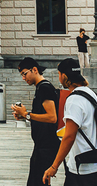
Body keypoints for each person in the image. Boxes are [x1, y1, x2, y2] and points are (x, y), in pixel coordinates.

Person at [43, 59, 97, 185]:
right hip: (95, 163)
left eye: (59, 74)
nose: (59, 78)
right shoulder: (91, 93)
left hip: (82, 169)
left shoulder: (74, 100)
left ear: (64, 76)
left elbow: (69, 136)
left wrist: (54, 166)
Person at [11, 57, 60, 186]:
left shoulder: (45, 88)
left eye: (24, 73)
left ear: (35, 70)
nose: (23, 78)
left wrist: (27, 114)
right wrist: (24, 116)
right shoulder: (41, 88)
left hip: (47, 145)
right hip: (42, 144)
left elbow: (52, 117)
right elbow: (42, 115)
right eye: (22, 75)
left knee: (37, 182)